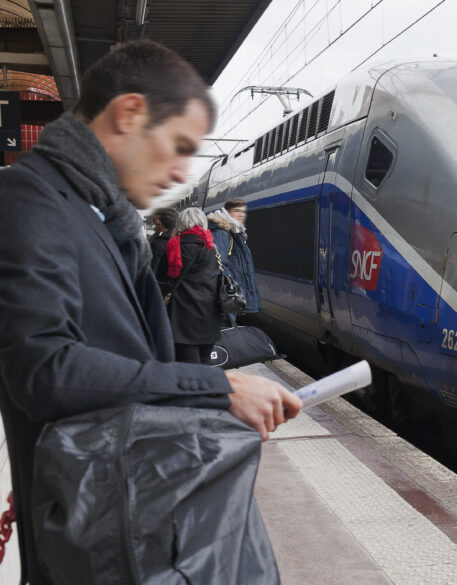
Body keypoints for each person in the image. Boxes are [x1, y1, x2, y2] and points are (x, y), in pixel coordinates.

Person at [0, 40, 301, 585]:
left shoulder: (106, 219)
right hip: (90, 536)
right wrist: (217, 390)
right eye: (179, 145)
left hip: (129, 513)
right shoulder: (28, 199)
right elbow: (44, 371)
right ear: (130, 113)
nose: (182, 171)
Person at [158, 207, 223, 364]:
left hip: (181, 316)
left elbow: (159, 279)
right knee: (205, 362)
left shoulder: (174, 246)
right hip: (209, 314)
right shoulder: (212, 247)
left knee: (188, 365)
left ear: (180, 224)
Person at [208, 199, 261, 325]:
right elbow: (218, 265)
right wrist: (234, 295)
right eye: (236, 211)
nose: (241, 214)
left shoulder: (235, 233)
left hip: (230, 295)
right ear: (226, 212)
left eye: (243, 211)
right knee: (225, 331)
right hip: (225, 295)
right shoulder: (221, 233)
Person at [149, 206, 179, 275]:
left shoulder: (157, 244)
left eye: (154, 220)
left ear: (158, 223)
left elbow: (151, 270)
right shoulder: (181, 239)